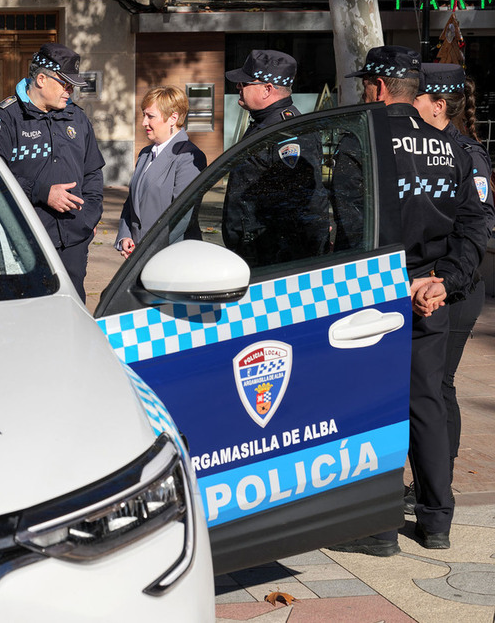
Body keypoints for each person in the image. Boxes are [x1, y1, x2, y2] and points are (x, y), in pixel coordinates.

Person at [328, 46, 489, 557]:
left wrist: (399, 283)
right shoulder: (453, 148)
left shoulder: (365, 140)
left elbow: (354, 227)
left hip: (378, 289)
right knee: (427, 401)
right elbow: (473, 226)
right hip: (430, 292)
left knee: (377, 404)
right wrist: (442, 282)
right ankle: (436, 521)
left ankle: (378, 529)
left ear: (377, 88)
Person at [406, 63, 495, 510]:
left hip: (456, 290)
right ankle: (431, 481)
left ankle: (439, 482)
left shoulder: (466, 153)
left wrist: (442, 280)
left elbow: (477, 227)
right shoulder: (425, 147)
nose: (411, 105)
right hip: (436, 286)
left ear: (438, 106)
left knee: (439, 386)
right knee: (433, 386)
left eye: (418, 98)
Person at [0, 43, 104, 302]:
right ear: (41, 79)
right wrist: (41, 193)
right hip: (25, 242)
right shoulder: (6, 118)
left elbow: (93, 172)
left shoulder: (77, 118)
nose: (70, 92)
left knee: (72, 310)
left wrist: (89, 219)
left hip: (72, 241)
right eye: (65, 84)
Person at [221, 50, 330, 265]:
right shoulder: (264, 124)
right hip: (255, 250)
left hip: (274, 258)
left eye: (244, 83)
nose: (238, 87)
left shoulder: (287, 132)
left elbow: (308, 204)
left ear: (267, 89)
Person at [115, 86, 207, 258]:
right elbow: (132, 203)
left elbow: (182, 216)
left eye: (150, 116)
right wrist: (125, 236)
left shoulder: (189, 157)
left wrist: (147, 252)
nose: (144, 122)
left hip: (170, 257)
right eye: (144, 115)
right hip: (139, 256)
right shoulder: (145, 154)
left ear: (173, 118)